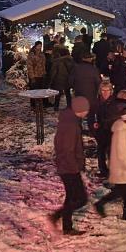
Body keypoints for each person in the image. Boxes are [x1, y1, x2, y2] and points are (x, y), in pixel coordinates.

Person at [49, 96, 91, 235]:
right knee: (80, 199)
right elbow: (67, 149)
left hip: (67, 165)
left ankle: (66, 226)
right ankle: (57, 217)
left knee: (72, 196)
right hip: (69, 167)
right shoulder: (71, 125)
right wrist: (74, 167)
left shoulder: (70, 120)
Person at [94, 108, 126, 222]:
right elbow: (120, 152)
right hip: (123, 167)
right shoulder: (121, 131)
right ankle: (101, 204)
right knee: (121, 190)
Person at [69, 53, 101, 125]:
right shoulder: (94, 69)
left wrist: (74, 88)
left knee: (78, 112)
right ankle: (91, 128)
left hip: (79, 94)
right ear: (90, 59)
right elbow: (98, 82)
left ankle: (78, 129)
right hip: (91, 95)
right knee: (91, 114)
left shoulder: (76, 68)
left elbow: (71, 81)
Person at [94, 81, 115, 176]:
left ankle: (112, 171)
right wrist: (94, 124)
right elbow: (92, 116)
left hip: (111, 131)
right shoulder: (96, 102)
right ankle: (103, 170)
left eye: (107, 90)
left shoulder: (114, 102)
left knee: (111, 152)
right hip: (101, 131)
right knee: (101, 151)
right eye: (103, 90)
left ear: (111, 91)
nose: (105, 92)